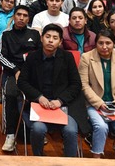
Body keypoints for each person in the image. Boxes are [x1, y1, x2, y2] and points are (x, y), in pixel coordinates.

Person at [17, 23, 90, 157]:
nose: (51, 40)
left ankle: (70, 162)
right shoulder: (32, 57)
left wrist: (60, 101)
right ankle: (38, 160)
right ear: (41, 38)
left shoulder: (67, 57)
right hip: (39, 104)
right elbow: (22, 82)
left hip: (63, 105)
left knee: (71, 130)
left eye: (55, 38)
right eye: (48, 37)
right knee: (38, 129)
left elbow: (76, 84)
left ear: (60, 41)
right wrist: (39, 97)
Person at [78, 29, 115, 159]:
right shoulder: (86, 57)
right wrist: (99, 103)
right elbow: (84, 85)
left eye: (108, 43)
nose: (104, 46)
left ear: (114, 44)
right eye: (100, 43)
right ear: (95, 44)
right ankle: (97, 159)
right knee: (101, 127)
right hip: (94, 104)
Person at [0, 5, 42, 151]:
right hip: (13, 72)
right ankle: (11, 135)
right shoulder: (6, 35)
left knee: (41, 92)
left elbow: (41, 55)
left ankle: (38, 130)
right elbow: (0, 56)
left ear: (28, 19)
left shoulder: (34, 35)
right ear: (14, 17)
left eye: (25, 15)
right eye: (19, 15)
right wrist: (16, 70)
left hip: (32, 73)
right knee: (11, 94)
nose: (21, 18)